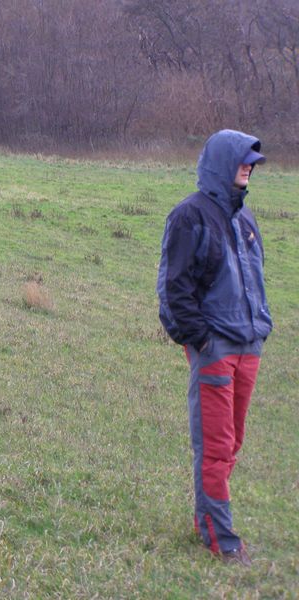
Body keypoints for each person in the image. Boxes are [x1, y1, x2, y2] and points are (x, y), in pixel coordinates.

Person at [157, 129, 272, 567]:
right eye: (243, 161)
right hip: (216, 347)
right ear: (223, 163)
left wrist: (260, 328)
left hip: (249, 344)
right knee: (216, 444)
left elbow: (255, 280)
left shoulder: (245, 219)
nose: (249, 168)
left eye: (253, 163)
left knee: (233, 440)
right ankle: (220, 539)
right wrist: (200, 340)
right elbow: (174, 289)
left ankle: (207, 518)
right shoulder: (189, 216)